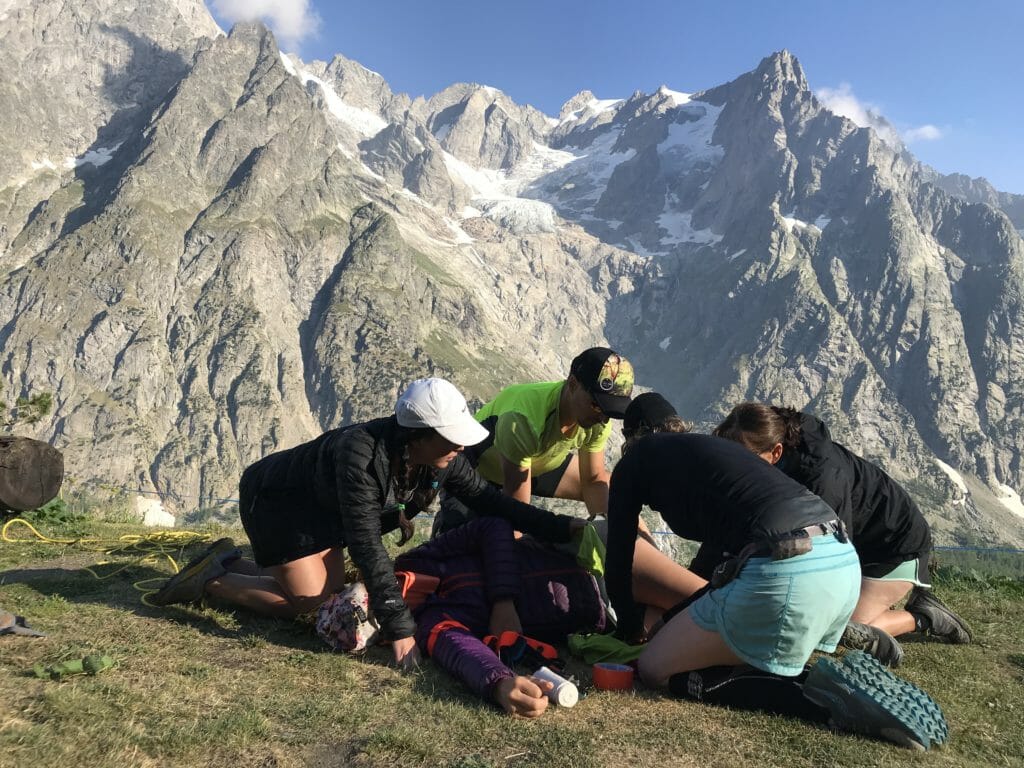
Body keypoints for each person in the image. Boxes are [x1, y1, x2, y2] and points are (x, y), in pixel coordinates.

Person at [150, 378, 580, 670]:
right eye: (450, 437)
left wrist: (562, 528)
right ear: (419, 434)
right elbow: (366, 543)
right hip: (278, 504)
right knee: (310, 602)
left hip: (320, 511)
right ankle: (213, 580)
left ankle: (230, 562)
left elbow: (492, 501)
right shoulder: (360, 454)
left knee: (328, 587)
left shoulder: (442, 460)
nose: (459, 446)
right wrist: (401, 628)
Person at [604, 432, 948, 750]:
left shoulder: (631, 468)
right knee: (708, 639)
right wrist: (672, 620)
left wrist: (629, 631)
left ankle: (816, 698)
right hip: (840, 557)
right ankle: (828, 678)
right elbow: (722, 578)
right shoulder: (710, 457)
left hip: (787, 566)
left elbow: (619, 561)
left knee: (653, 668)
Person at [320, 515, 714, 717]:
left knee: (710, 600)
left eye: (370, 599)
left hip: (601, 559)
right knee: (702, 639)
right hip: (608, 615)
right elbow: (459, 651)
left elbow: (492, 528)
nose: (386, 605)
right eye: (376, 618)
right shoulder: (431, 626)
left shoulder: (422, 557)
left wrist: (502, 600)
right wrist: (499, 682)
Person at [712, 403, 971, 663]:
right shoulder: (772, 458)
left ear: (776, 452)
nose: (735, 466)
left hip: (895, 548)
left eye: (744, 458)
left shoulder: (823, 478)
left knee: (830, 631)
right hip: (864, 541)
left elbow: (833, 552)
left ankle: (923, 617)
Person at [433, 347, 634, 534]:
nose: (604, 418)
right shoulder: (524, 418)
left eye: (611, 411)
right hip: (476, 470)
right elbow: (517, 508)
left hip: (534, 461)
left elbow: (593, 480)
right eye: (598, 406)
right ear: (572, 384)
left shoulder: (599, 417)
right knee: (463, 543)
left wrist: (609, 539)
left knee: (616, 491)